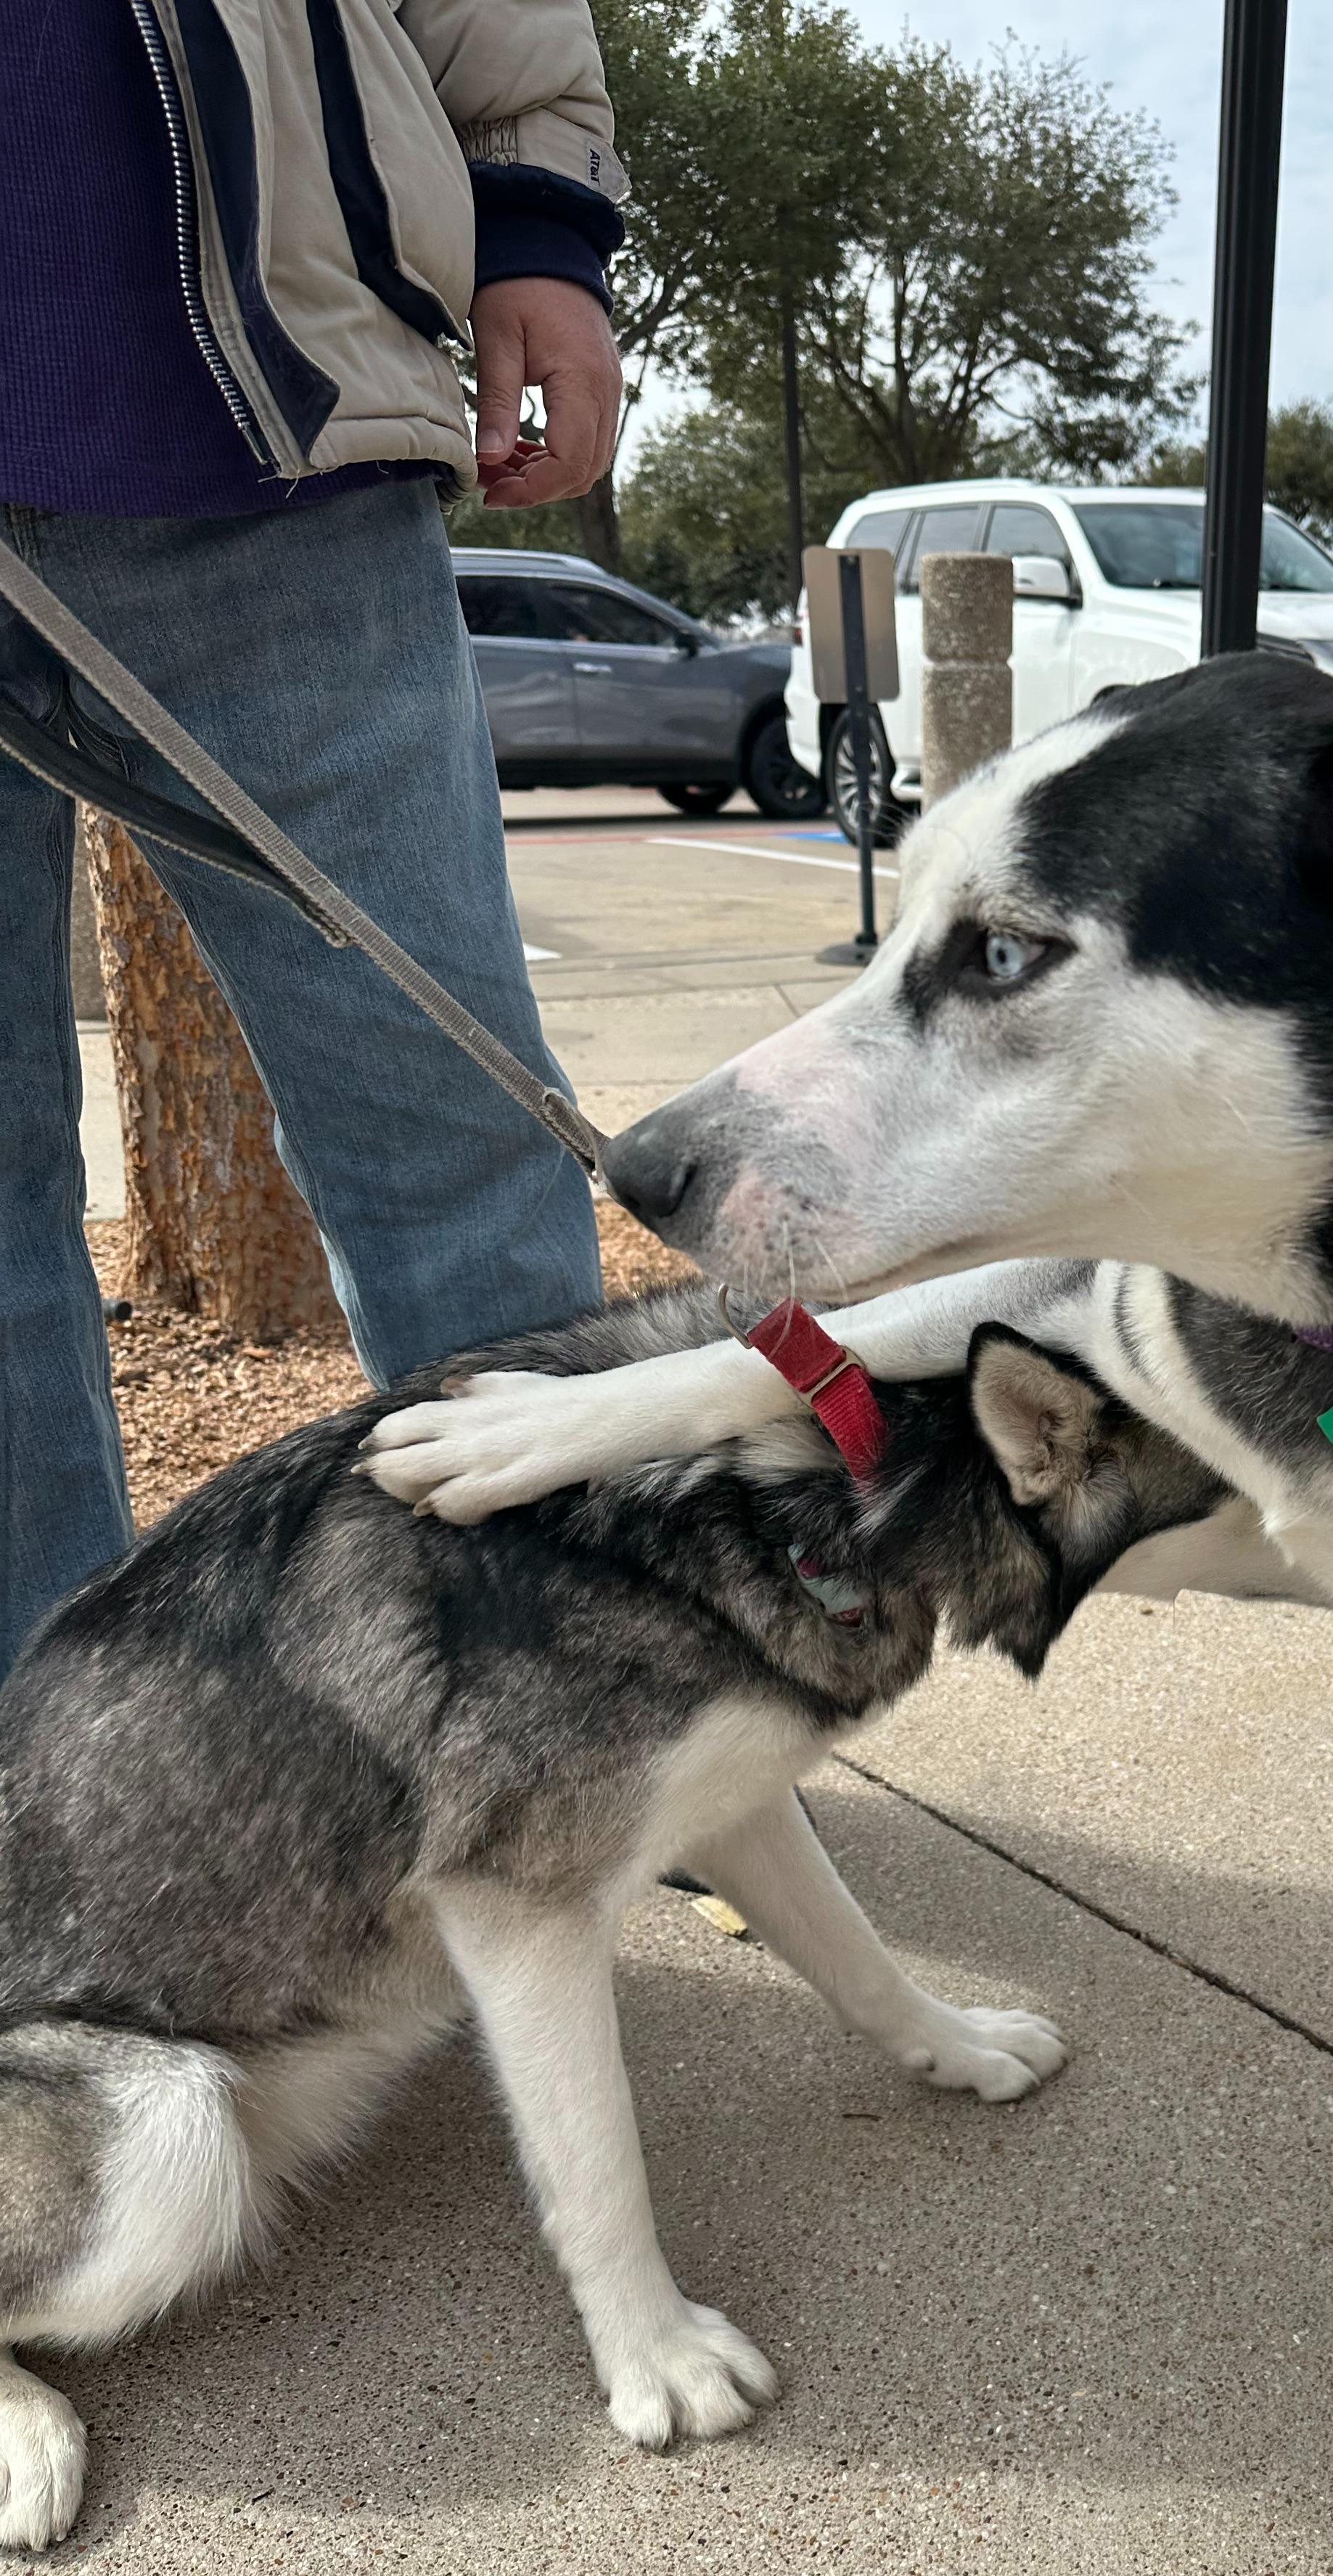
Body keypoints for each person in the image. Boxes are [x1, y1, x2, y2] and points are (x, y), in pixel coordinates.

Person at [0, 0, 628, 1675]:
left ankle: (571, 1697)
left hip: (265, 433)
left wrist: (536, 221)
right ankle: (44, 1772)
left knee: (448, 1125)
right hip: (262, 414)